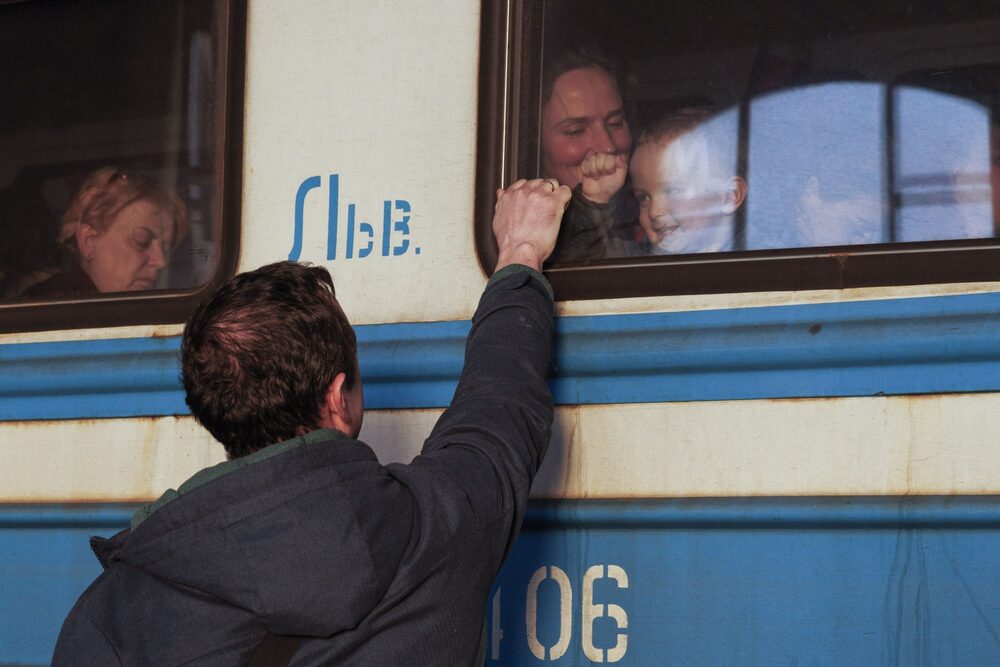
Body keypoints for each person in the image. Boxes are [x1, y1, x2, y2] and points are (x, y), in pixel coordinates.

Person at [51, 178, 571, 665]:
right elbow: (499, 403)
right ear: (338, 398)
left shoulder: (114, 612)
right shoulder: (435, 530)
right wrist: (520, 252)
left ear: (215, 411)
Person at [21, 166, 188, 297]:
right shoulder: (48, 310)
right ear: (89, 241)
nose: (161, 261)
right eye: (141, 241)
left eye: (165, 248)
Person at [540, 45, 640, 262]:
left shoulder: (654, 207)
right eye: (575, 131)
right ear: (535, 141)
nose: (607, 146)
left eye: (615, 123)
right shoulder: (530, 232)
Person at [629, 108, 748, 254]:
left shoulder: (756, 257)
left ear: (729, 196)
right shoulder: (641, 260)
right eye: (643, 198)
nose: (655, 212)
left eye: (672, 191)